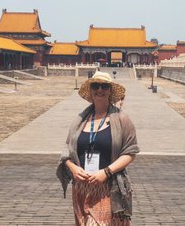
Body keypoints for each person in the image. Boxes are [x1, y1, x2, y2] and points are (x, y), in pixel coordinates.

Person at [57, 71, 139, 225]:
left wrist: (106, 172)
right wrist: (73, 168)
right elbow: (67, 150)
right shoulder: (80, 119)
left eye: (104, 86)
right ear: (90, 90)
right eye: (95, 86)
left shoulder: (122, 119)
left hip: (109, 187)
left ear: (110, 91)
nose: (99, 90)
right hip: (81, 188)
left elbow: (130, 152)